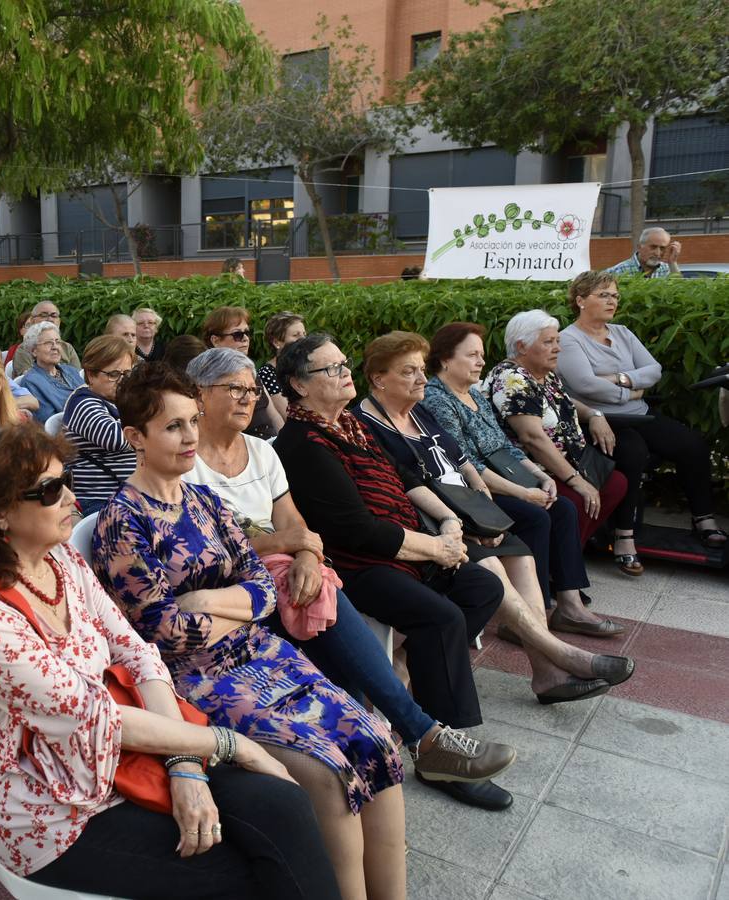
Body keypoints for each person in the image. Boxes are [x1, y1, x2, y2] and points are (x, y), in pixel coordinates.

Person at [0, 424, 341, 898]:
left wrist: (185, 764)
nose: (71, 499)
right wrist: (231, 745)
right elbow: (88, 715)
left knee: (282, 804)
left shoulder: (60, 559)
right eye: (50, 490)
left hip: (127, 756)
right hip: (54, 811)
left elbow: (136, 652)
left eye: (68, 480)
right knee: (249, 872)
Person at [92, 365, 407, 899]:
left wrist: (209, 600)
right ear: (135, 437)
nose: (191, 435)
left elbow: (264, 590)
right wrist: (233, 610)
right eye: (172, 426)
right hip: (197, 681)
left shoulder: (205, 502)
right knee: (331, 774)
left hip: (265, 654)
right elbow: (167, 634)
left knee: (377, 744)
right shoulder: (123, 523)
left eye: (193, 421)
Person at [183, 348, 517, 795]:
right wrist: (293, 547)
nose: (248, 399)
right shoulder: (186, 461)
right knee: (332, 604)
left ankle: (400, 745)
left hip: (291, 574)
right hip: (235, 588)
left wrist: (305, 554)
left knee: (327, 595)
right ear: (198, 395)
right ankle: (421, 738)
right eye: (234, 390)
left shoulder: (261, 451)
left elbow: (294, 521)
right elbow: (207, 550)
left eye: (251, 389)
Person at [273, 334, 514, 811]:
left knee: (482, 587)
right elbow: (357, 530)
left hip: (407, 549)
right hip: (357, 564)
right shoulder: (303, 441)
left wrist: (449, 524)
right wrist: (435, 550)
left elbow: (407, 481)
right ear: (299, 385)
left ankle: (419, 678)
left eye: (344, 363)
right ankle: (445, 754)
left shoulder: (351, 424)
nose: (346, 373)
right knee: (441, 619)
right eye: (332, 369)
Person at [355, 333, 634, 698]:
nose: (422, 379)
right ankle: (561, 655)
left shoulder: (418, 410)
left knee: (523, 557)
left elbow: (461, 458)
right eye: (409, 372)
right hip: (431, 521)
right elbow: (399, 488)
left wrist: (482, 498)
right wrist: (461, 523)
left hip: (468, 509)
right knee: (491, 567)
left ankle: (547, 671)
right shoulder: (366, 422)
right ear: (379, 378)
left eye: (421, 370)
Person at [423, 322, 630, 637]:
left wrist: (539, 476)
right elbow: (465, 462)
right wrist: (521, 492)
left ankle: (569, 605)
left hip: (504, 478)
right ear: (446, 360)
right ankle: (530, 615)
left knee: (561, 507)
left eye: (481, 354)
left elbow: (505, 446)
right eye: (472, 355)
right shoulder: (438, 399)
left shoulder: (473, 395)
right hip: (469, 490)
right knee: (535, 516)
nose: (481, 361)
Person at [557, 271, 724, 557]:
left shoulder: (622, 332)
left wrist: (618, 380)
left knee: (692, 445)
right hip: (601, 418)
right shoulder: (569, 340)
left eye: (615, 296)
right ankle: (624, 535)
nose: (613, 301)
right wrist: (632, 389)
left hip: (640, 412)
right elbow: (586, 385)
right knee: (634, 453)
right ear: (581, 300)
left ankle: (703, 519)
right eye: (604, 295)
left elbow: (654, 370)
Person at [484, 310, 631, 563]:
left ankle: (568, 556)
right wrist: (576, 480)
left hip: (571, 460)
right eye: (548, 342)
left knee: (615, 483)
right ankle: (562, 565)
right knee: (576, 499)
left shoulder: (544, 373)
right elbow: (532, 438)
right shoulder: (512, 378)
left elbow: (565, 402)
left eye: (557, 341)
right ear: (522, 346)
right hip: (534, 470)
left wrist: (595, 414)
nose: (557, 349)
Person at [62, 335, 137, 515]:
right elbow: (116, 439)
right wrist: (150, 422)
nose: (122, 380)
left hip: (128, 496)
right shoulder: (83, 402)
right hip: (98, 501)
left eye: (127, 373)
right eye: (113, 374)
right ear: (91, 374)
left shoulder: (120, 401)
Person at [201, 307, 279, 439]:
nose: (245, 339)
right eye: (237, 335)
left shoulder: (249, 370)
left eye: (247, 333)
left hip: (270, 443)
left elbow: (273, 414)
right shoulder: (211, 378)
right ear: (215, 340)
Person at [19, 321, 85, 423]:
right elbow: (50, 422)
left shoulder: (70, 370)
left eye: (57, 342)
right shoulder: (31, 382)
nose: (55, 347)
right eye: (48, 343)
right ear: (34, 351)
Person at [258, 311, 306, 424]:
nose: (303, 339)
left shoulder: (307, 366)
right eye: (296, 335)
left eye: (304, 334)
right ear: (276, 342)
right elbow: (288, 415)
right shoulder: (267, 373)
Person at [11, 301, 80, 376]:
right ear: (32, 321)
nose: (49, 319)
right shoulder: (24, 349)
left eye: (54, 316)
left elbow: (77, 376)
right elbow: (29, 380)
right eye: (43, 315)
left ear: (59, 322)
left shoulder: (67, 348)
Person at [604, 226, 681, 278]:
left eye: (662, 248)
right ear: (639, 247)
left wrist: (672, 262)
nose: (657, 253)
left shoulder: (667, 269)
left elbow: (680, 290)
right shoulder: (618, 271)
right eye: (653, 247)